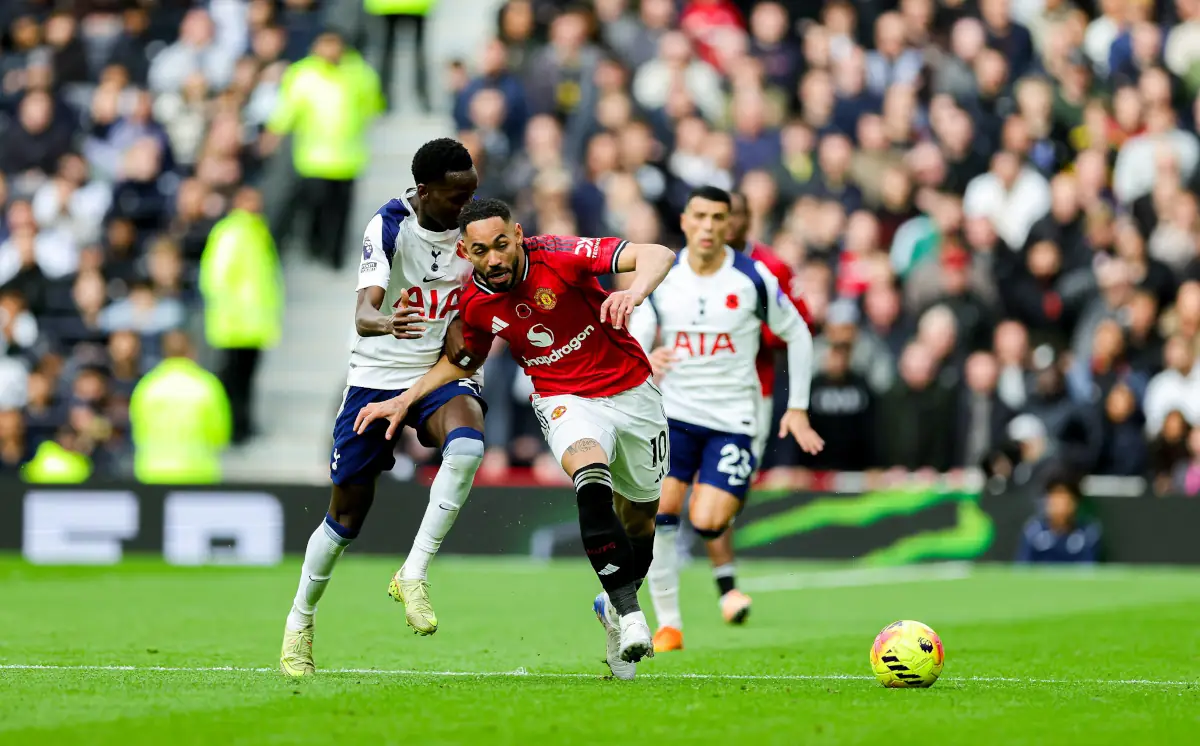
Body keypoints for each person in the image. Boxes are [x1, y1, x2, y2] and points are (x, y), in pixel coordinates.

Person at [355, 197, 677, 680]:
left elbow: (659, 254)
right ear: (465, 251)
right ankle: (631, 615)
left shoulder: (560, 256)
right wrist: (404, 400)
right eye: (481, 250)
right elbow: (461, 362)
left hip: (633, 394)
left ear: (519, 235)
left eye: (502, 245)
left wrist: (636, 292)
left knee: (641, 523)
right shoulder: (477, 303)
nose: (494, 258)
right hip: (565, 401)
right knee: (590, 480)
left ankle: (611, 610)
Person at [279, 138, 483, 678]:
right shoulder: (389, 225)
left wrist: (463, 335)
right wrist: (388, 322)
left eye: (471, 196)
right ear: (423, 191)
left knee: (467, 445)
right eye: (453, 198)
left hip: (437, 374)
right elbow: (364, 312)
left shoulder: (474, 230)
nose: (463, 208)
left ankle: (413, 572)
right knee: (346, 517)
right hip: (375, 378)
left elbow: (473, 300)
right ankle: (300, 621)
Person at [628, 186, 822, 653]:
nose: (710, 226)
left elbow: (797, 333)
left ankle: (705, 581)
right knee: (661, 513)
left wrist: (797, 407)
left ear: (729, 223)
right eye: (701, 216)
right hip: (673, 415)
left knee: (708, 517)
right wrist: (645, 359)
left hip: (735, 419)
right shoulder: (664, 277)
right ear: (685, 222)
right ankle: (668, 625)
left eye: (719, 217)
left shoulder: (751, 278)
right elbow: (635, 333)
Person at [263, 29, 384, 269]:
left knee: (341, 210)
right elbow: (287, 109)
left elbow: (372, 104)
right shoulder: (303, 73)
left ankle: (335, 256)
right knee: (316, 207)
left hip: (347, 157)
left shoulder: (358, 72)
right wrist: (274, 132)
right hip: (313, 157)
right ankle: (315, 246)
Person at [199, 186, 282, 445]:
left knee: (244, 379)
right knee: (234, 380)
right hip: (236, 324)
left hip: (250, 323)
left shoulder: (255, 232)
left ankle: (242, 426)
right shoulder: (233, 232)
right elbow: (216, 278)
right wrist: (231, 310)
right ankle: (232, 428)